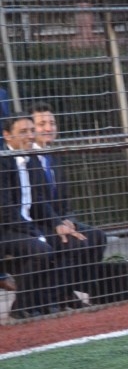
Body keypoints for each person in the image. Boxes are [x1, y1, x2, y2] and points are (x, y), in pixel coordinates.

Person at [29, 102, 109, 302]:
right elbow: (36, 200)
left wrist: (69, 219)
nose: (49, 128)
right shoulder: (26, 159)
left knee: (97, 236)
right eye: (42, 124)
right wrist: (58, 223)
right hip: (37, 223)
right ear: (31, 129)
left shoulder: (54, 156)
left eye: (52, 123)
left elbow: (64, 197)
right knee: (74, 244)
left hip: (59, 220)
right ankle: (54, 297)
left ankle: (71, 288)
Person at [0, 115, 60, 317]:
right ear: (7, 136)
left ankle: (49, 300)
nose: (30, 136)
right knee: (41, 251)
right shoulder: (3, 162)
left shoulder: (31, 159)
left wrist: (57, 223)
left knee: (66, 242)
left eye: (31, 131)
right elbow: (5, 210)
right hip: (6, 230)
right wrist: (34, 232)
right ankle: (21, 307)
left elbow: (38, 201)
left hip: (26, 226)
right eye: (23, 132)